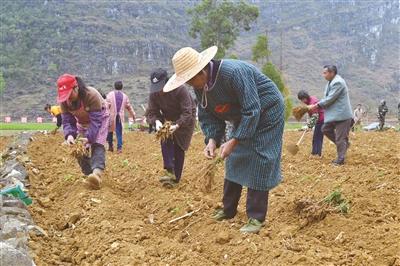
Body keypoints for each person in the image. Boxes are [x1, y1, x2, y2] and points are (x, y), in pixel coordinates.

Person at [163, 46, 285, 234]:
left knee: (260, 157)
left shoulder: (234, 73)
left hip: (267, 111)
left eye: (191, 79)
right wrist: (212, 139)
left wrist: (234, 140)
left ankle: (256, 217)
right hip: (242, 115)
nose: (190, 84)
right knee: (234, 157)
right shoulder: (199, 86)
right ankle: (228, 209)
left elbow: (252, 109)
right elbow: (207, 114)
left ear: (201, 71)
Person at [57, 74, 109, 190]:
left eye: (69, 94)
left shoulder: (91, 95)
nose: (68, 98)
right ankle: (88, 174)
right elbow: (67, 121)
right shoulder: (64, 102)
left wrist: (90, 138)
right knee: (79, 148)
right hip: (81, 122)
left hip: (99, 119)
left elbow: (96, 121)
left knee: (97, 144)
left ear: (76, 88)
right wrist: (70, 135)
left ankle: (97, 174)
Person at [146, 68, 196, 188]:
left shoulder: (180, 89)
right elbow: (151, 112)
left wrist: (177, 125)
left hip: (186, 119)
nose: (159, 91)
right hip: (168, 118)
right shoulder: (154, 94)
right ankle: (169, 171)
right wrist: (156, 122)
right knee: (165, 139)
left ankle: (176, 178)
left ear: (167, 82)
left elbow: (187, 113)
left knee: (179, 147)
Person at [309, 65, 353, 166]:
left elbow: (330, 98)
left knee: (340, 138)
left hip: (342, 115)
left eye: (325, 73)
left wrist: (317, 105)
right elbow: (327, 97)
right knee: (325, 129)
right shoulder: (330, 82)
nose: (323, 75)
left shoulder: (338, 82)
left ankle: (340, 159)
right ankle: (344, 145)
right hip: (334, 115)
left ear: (332, 73)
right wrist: (318, 104)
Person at [106, 81, 136, 153]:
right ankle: (119, 148)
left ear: (114, 86)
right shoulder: (125, 96)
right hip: (119, 117)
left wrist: (104, 114)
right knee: (119, 132)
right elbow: (129, 107)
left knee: (109, 131)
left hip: (111, 117)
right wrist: (133, 114)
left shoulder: (110, 95)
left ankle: (110, 146)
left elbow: (107, 105)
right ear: (122, 87)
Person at [297, 90, 324, 156]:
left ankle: (317, 154)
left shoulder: (313, 102)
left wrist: (309, 126)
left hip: (322, 120)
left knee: (318, 137)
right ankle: (314, 153)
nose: (302, 101)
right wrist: (309, 125)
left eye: (302, 99)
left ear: (305, 97)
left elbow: (315, 116)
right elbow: (311, 115)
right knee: (315, 137)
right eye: (301, 100)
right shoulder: (308, 102)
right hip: (318, 120)